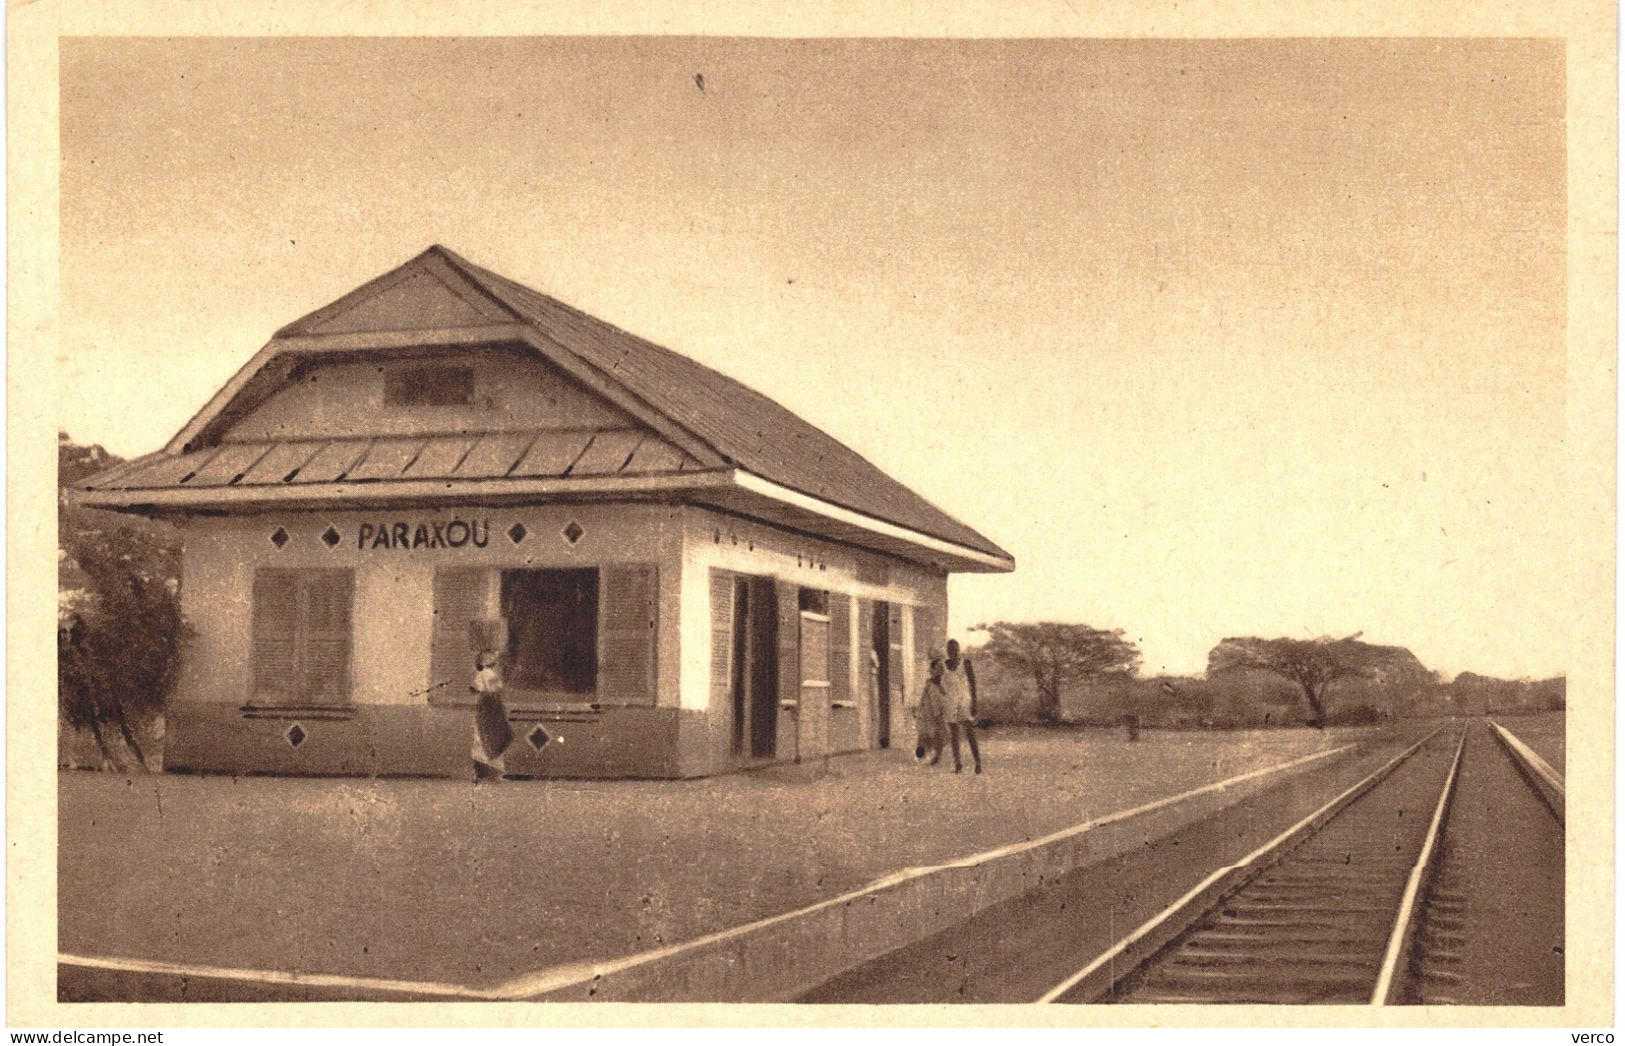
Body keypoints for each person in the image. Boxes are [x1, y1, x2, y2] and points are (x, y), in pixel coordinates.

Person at [470, 649, 514, 781]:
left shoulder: (485, 674)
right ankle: (488, 771)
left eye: (492, 657)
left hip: (490, 706)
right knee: (488, 736)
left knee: (485, 737)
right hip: (489, 706)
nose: (492, 659)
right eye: (487, 657)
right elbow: (485, 690)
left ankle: (485, 770)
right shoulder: (485, 673)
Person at [942, 638, 983, 774]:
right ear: (947, 651)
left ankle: (978, 763)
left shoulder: (966, 663)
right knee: (954, 734)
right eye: (950, 650)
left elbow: (973, 684)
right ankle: (957, 763)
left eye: (955, 650)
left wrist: (975, 703)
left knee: (970, 732)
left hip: (964, 701)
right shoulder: (943, 665)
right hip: (950, 702)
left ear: (959, 650)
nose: (953, 652)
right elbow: (937, 683)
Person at [914, 656, 949, 766]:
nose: (941, 670)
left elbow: (947, 697)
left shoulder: (944, 684)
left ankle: (937, 757)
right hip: (929, 713)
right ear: (933, 670)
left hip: (940, 712)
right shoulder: (929, 684)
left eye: (942, 667)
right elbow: (923, 698)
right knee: (925, 736)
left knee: (941, 734)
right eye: (938, 667)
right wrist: (919, 711)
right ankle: (921, 757)